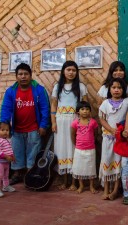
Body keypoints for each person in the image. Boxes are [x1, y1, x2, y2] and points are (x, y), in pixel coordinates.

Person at [0, 63, 50, 185]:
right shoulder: (11, 91)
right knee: (16, 151)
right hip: (16, 129)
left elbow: (45, 109)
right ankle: (17, 174)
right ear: (16, 76)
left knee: (33, 152)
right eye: (20, 74)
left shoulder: (39, 90)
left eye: (26, 74)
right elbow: (5, 108)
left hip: (34, 128)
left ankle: (30, 173)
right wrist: (4, 125)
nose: (23, 76)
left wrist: (43, 125)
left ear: (30, 75)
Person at [51, 60, 88, 190]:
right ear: (63, 71)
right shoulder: (57, 87)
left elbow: (85, 106)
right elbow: (54, 105)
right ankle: (64, 181)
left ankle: (74, 182)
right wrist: (53, 122)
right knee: (62, 149)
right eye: (68, 70)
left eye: (73, 70)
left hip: (75, 121)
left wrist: (83, 123)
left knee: (74, 149)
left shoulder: (81, 87)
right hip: (60, 121)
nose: (71, 73)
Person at [99, 78, 128, 200]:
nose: (116, 90)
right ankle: (106, 188)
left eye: (120, 88)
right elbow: (102, 119)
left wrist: (124, 130)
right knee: (107, 161)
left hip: (121, 140)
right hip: (108, 138)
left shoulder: (127, 102)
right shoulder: (105, 103)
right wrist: (111, 130)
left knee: (119, 163)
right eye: (114, 87)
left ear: (123, 90)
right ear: (109, 89)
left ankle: (116, 189)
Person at [71, 101, 99, 194]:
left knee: (91, 167)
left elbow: (96, 133)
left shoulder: (93, 122)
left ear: (90, 111)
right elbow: (72, 135)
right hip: (79, 149)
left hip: (90, 148)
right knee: (79, 167)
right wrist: (77, 144)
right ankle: (81, 185)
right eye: (82, 109)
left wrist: (91, 142)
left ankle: (91, 186)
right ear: (78, 112)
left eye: (87, 109)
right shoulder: (75, 123)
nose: (85, 111)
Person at [0, 122, 16, 198]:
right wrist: (6, 156)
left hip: (6, 162)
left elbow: (9, 150)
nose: (5, 132)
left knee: (6, 175)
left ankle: (6, 186)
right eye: (3, 130)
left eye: (7, 130)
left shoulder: (7, 140)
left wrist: (12, 156)